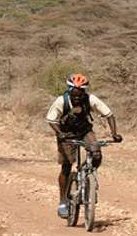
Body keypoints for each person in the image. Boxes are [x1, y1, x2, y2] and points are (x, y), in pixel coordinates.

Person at [46, 73, 122, 218]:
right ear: (69, 89)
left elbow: (109, 115)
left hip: (84, 131)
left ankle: (88, 176)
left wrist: (114, 134)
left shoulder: (90, 99)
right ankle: (63, 201)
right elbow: (51, 120)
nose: (77, 96)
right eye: (75, 93)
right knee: (66, 166)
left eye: (81, 93)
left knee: (96, 152)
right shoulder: (61, 101)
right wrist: (60, 133)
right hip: (66, 134)